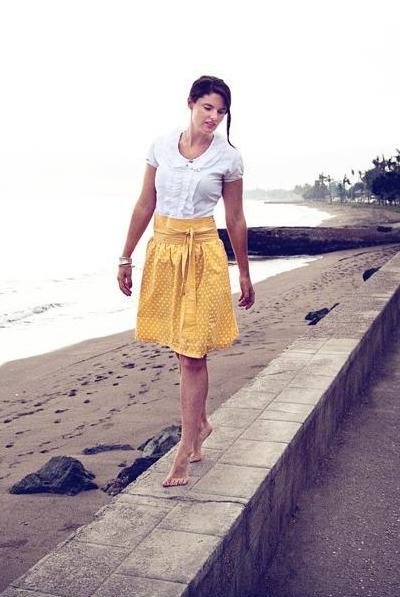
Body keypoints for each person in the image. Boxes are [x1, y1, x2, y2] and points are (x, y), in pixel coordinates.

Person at [117, 74, 255, 488]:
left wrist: (245, 272)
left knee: (195, 354)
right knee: (181, 350)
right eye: (207, 108)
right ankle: (202, 424)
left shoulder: (229, 158)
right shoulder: (161, 146)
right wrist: (125, 255)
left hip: (203, 254)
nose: (214, 117)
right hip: (163, 250)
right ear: (191, 104)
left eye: (221, 111)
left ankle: (185, 446)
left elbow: (234, 218)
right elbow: (145, 203)